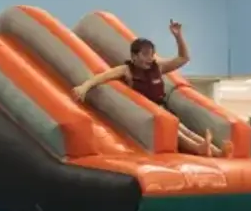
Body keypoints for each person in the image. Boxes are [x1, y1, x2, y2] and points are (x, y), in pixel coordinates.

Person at [73, 20, 225, 157]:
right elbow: (102, 77)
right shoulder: (126, 70)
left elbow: (183, 58)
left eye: (152, 54)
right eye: (145, 55)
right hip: (146, 115)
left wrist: (178, 37)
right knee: (175, 131)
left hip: (160, 109)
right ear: (134, 56)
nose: (150, 58)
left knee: (184, 129)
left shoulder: (158, 67)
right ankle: (198, 148)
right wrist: (84, 87)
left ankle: (216, 151)